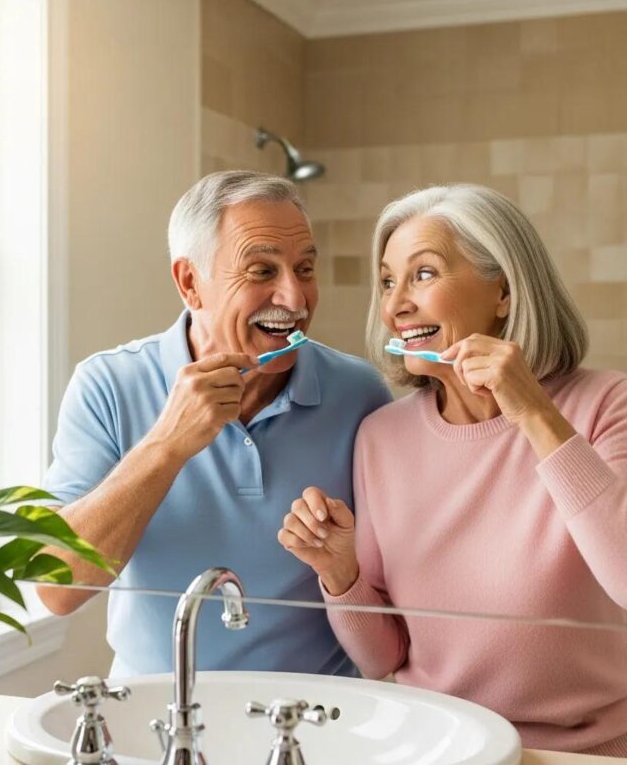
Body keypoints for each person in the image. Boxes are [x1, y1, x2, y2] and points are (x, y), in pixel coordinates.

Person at [278, 184, 627, 755]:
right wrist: (340, 574)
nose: (394, 307)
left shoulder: (605, 405)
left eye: (423, 274)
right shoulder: (381, 438)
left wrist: (535, 412)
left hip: (581, 753)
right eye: (388, 281)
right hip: (437, 745)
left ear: (505, 292)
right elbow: (382, 659)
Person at [38, 170, 391, 678]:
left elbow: (393, 593)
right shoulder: (106, 385)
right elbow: (57, 587)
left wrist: (342, 562)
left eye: (305, 268)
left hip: (315, 721)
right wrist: (166, 444)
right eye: (262, 271)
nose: (295, 300)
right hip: (154, 714)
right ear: (190, 283)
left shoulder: (360, 395)